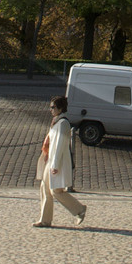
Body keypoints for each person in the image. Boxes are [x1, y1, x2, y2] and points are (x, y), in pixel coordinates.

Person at [34, 95, 86, 228]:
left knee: (56, 191)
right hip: (51, 160)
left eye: (53, 107)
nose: (50, 109)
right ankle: (45, 220)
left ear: (60, 108)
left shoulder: (63, 123)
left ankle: (79, 209)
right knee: (45, 188)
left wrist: (55, 165)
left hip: (56, 162)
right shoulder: (57, 121)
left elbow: (60, 145)